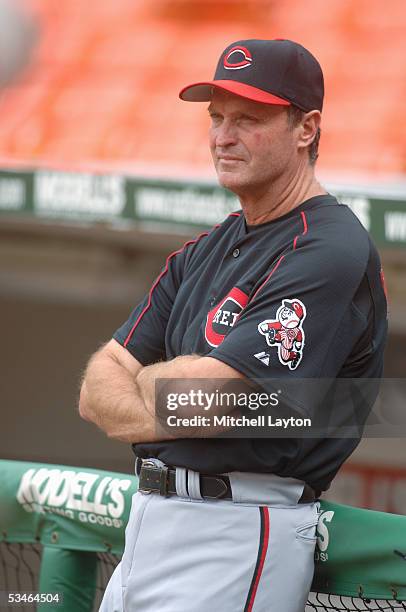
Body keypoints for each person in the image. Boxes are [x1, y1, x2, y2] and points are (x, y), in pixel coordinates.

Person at [79, 39, 388, 612]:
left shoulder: (331, 247)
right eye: (217, 118)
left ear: (306, 128)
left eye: (248, 119)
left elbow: (214, 396)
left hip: (241, 527)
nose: (223, 136)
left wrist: (153, 382)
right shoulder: (203, 250)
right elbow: (97, 389)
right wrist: (177, 393)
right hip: (150, 519)